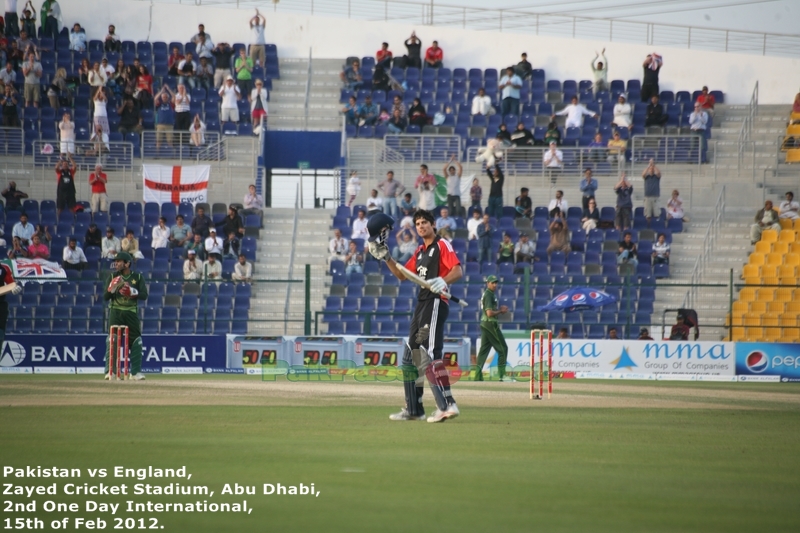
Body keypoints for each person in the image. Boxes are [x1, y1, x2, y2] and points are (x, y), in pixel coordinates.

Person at [370, 211, 462, 422]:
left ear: (433, 225)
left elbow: (457, 271)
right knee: (410, 357)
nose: (421, 226)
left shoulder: (442, 245)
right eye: (418, 224)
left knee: (427, 353)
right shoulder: (420, 251)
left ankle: (448, 405)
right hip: (422, 305)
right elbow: (402, 275)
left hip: (436, 302)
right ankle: (414, 409)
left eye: (424, 223)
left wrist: (444, 281)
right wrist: (386, 257)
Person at [103, 252, 148, 380]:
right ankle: (110, 371)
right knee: (112, 340)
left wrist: (133, 292)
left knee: (136, 341)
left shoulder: (138, 277)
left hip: (131, 313)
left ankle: (135, 372)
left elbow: (144, 295)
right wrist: (111, 288)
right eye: (116, 261)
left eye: (119, 261)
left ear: (127, 263)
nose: (116, 263)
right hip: (115, 312)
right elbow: (105, 298)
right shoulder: (112, 276)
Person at [474, 275, 509, 381]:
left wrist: (498, 310)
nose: (495, 285)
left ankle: (477, 376)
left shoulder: (489, 294)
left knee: (484, 350)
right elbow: (489, 313)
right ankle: (502, 376)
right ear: (487, 283)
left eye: (496, 283)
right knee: (503, 349)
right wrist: (500, 311)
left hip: (484, 324)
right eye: (492, 282)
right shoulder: (489, 294)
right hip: (490, 324)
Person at [642, 159, 661, 225]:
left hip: (655, 196)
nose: (651, 169)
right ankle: (648, 226)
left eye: (652, 168)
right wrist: (648, 166)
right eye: (650, 169)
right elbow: (643, 174)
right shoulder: (646, 177)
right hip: (647, 197)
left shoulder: (656, 177)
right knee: (648, 215)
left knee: (656, 214)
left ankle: (657, 226)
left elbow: (658, 173)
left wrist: (653, 165)